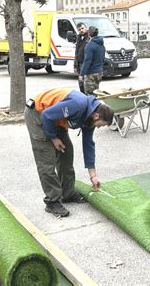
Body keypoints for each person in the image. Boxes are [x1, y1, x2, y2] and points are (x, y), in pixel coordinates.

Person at [24, 88, 114, 217]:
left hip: (55, 119)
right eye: (101, 124)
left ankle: (67, 193)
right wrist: (54, 138)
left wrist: (93, 176)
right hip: (38, 113)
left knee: (67, 153)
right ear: (96, 116)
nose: (99, 127)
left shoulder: (90, 118)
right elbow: (47, 115)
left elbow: (88, 145)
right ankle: (52, 201)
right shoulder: (78, 105)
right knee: (46, 160)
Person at [80, 26, 105, 95]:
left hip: (91, 73)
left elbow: (87, 60)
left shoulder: (89, 45)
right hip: (99, 72)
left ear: (89, 34)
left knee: (90, 95)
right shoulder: (101, 44)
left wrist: (82, 74)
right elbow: (103, 58)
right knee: (96, 93)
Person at [74, 22, 89, 93]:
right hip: (79, 64)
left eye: (82, 28)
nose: (81, 30)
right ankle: (82, 96)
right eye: (79, 29)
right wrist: (75, 65)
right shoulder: (79, 37)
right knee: (80, 82)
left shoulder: (90, 37)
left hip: (86, 63)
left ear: (86, 28)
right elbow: (76, 52)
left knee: (87, 83)